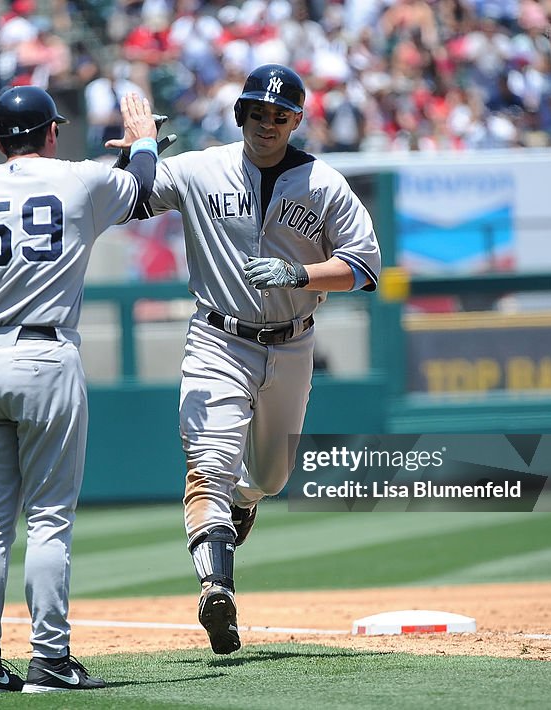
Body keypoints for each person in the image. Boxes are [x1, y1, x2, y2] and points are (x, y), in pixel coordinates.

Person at [0, 86, 158, 695]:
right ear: (52, 133)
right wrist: (144, 142)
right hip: (47, 355)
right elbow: (142, 187)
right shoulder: (79, 180)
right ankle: (50, 659)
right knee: (48, 517)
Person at [136, 64, 381, 655]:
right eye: (257, 111)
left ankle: (245, 502)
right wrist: (141, 149)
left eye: (280, 114)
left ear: (296, 121)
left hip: (293, 341)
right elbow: (135, 197)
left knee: (271, 476)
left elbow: (367, 267)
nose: (267, 122)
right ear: (240, 113)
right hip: (218, 339)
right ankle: (216, 586)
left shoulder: (323, 184)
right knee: (210, 464)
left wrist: (301, 272)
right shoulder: (201, 168)